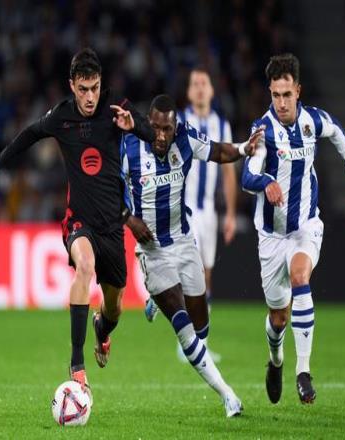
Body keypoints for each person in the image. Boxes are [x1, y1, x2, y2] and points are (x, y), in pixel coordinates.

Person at [0, 48, 155, 400]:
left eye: (95, 88)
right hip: (79, 221)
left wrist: (136, 127)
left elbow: (150, 131)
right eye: (83, 89)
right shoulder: (61, 116)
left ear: (101, 84)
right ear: (72, 85)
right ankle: (77, 365)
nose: (90, 97)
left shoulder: (116, 106)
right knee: (84, 266)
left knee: (114, 307)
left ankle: (102, 329)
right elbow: (30, 134)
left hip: (112, 225)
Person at [122, 94, 263, 417]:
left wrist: (244, 148)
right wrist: (129, 219)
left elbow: (218, 151)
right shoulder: (129, 146)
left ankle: (156, 300)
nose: (160, 136)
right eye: (155, 128)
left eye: (167, 129)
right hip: (153, 249)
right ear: (147, 123)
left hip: (184, 242)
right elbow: (109, 188)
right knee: (184, 326)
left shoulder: (186, 139)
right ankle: (228, 395)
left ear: (175, 128)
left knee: (201, 325)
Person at [241, 53, 345, 404]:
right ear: (270, 92)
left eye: (287, 95)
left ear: (298, 90)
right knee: (278, 318)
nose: (281, 103)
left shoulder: (313, 121)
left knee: (300, 276)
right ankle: (276, 359)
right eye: (275, 95)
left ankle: (303, 372)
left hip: (305, 226)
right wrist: (265, 181)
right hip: (271, 236)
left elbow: (338, 133)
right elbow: (247, 176)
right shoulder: (262, 130)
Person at [145, 68, 238, 364]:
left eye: (203, 83)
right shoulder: (176, 123)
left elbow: (228, 170)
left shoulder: (221, 124)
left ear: (211, 90)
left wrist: (231, 213)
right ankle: (185, 340)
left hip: (208, 210)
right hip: (181, 208)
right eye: (194, 83)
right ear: (188, 91)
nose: (199, 88)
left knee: (204, 276)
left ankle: (199, 342)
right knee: (188, 265)